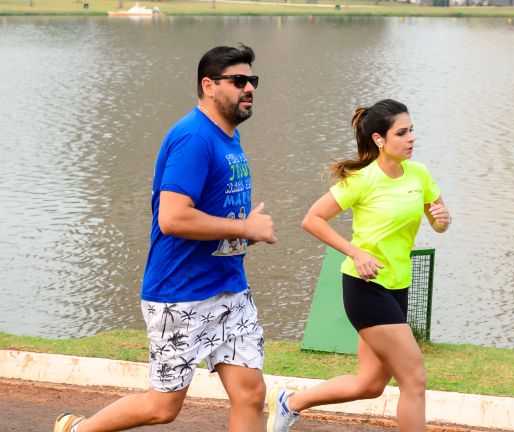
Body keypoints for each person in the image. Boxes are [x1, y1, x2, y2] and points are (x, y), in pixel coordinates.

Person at [54, 44, 276, 432]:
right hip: (181, 294)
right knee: (163, 407)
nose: (249, 88)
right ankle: (77, 430)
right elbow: (172, 218)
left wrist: (242, 236)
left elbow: (203, 213)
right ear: (209, 85)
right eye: (239, 80)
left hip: (228, 290)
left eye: (252, 80)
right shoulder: (194, 138)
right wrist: (244, 228)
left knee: (251, 394)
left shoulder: (227, 138)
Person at [266, 99, 451, 432]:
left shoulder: (420, 174)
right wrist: (355, 252)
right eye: (402, 132)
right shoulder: (362, 180)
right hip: (365, 287)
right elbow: (312, 219)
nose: (411, 138)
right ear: (379, 140)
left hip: (398, 285)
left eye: (412, 131)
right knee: (415, 377)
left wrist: (442, 221)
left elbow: (438, 221)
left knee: (369, 384)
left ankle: (290, 402)